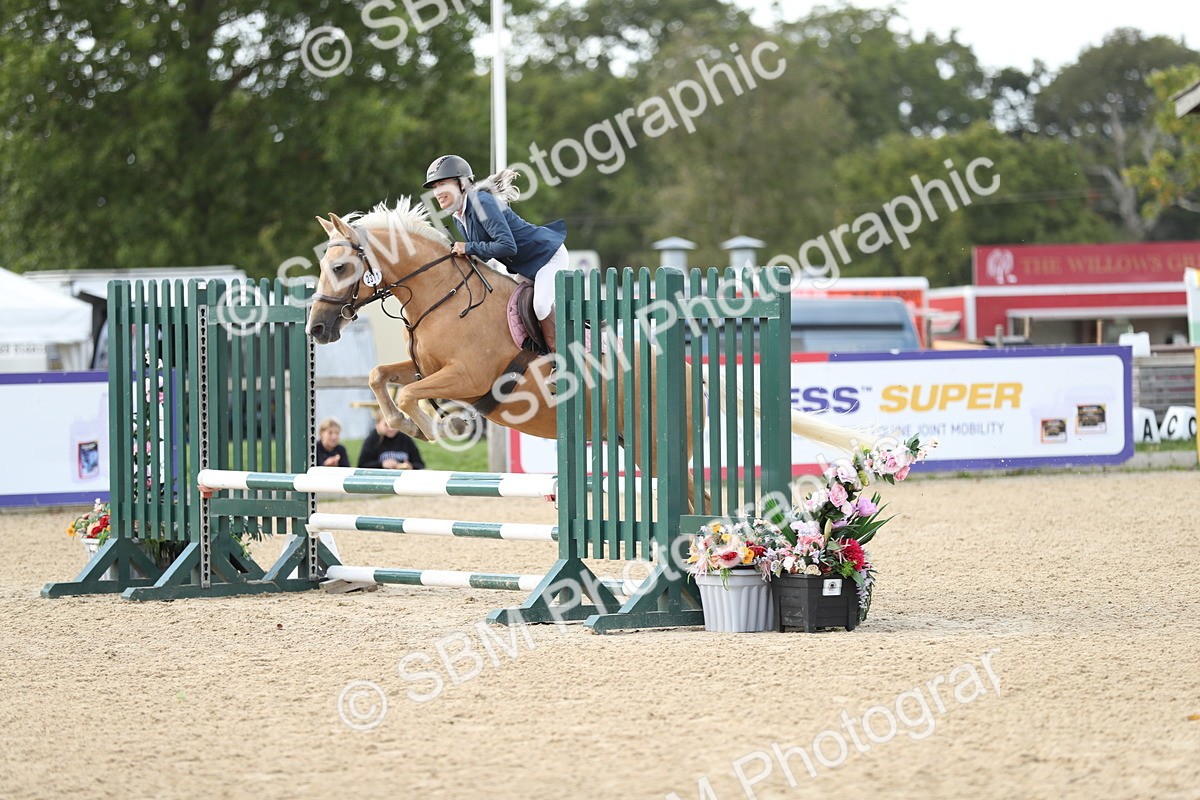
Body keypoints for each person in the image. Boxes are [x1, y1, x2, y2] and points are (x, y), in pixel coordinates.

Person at [424, 154, 570, 350]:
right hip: (527, 267)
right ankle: (533, 354)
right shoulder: (460, 217)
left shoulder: (481, 203)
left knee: (541, 306)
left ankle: (559, 358)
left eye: (442, 184)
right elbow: (485, 254)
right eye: (434, 187)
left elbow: (507, 246)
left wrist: (468, 247)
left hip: (547, 257)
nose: (437, 192)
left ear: (461, 183)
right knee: (509, 308)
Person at [358, 413, 426, 470]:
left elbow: (420, 465)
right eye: (386, 425)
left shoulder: (405, 438)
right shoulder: (372, 440)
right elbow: (362, 465)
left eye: (394, 425)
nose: (391, 429)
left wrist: (410, 466)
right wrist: (382, 464)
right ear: (378, 424)